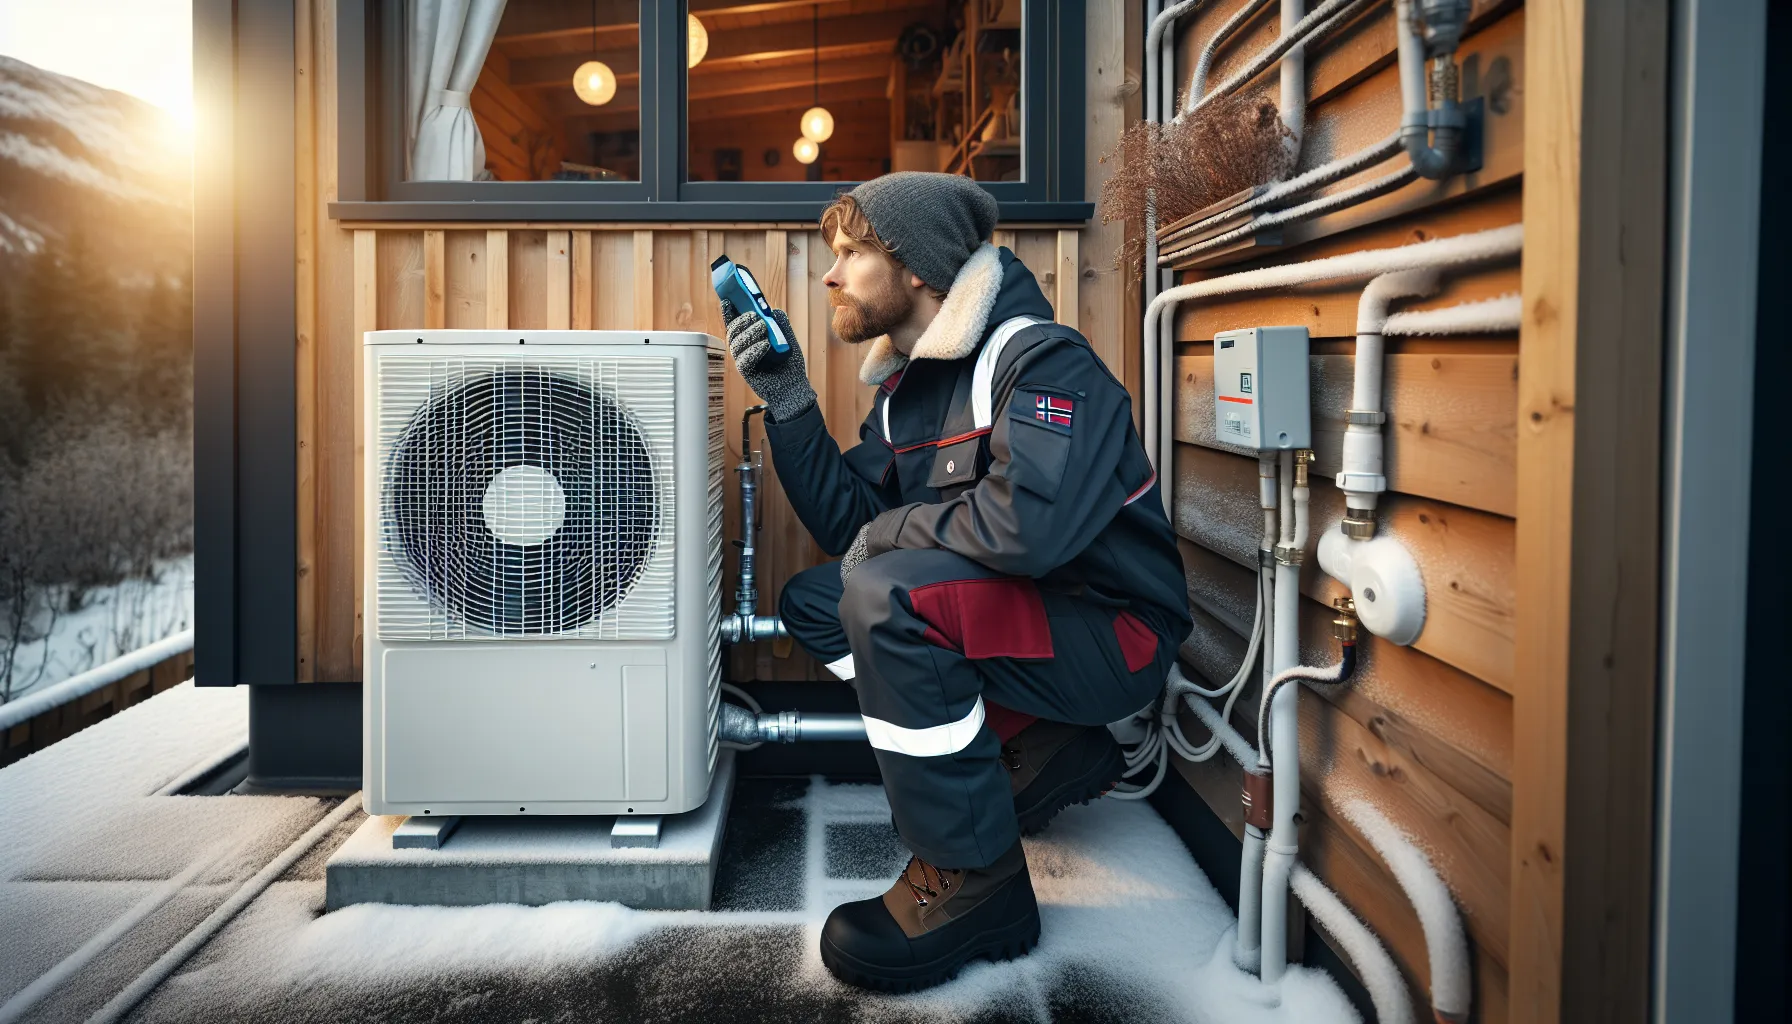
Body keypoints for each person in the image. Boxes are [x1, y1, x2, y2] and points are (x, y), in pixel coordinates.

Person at [718, 172, 1192, 992]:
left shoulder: (1040, 361)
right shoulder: (907, 393)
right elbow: (850, 525)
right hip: (1030, 623)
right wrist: (790, 405)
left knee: (884, 593)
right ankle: (1029, 747)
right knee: (819, 603)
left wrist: (885, 536)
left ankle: (976, 879)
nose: (830, 275)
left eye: (852, 252)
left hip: (1112, 631)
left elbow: (1023, 530)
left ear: (918, 268)